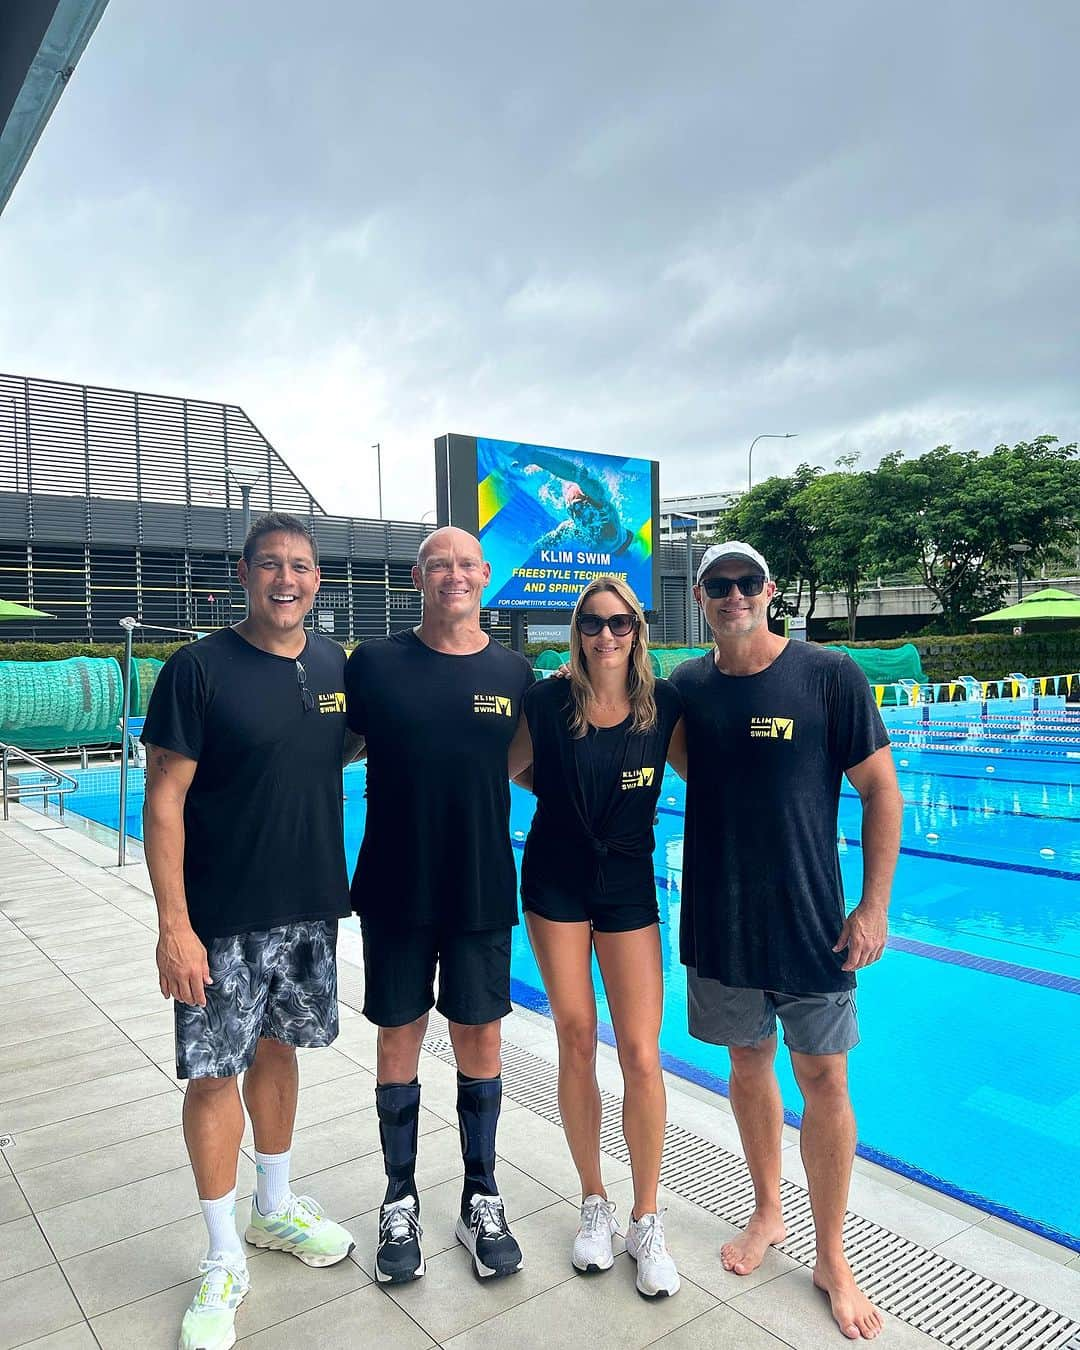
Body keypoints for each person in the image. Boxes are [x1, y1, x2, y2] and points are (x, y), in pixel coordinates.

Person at [668, 541, 902, 1342]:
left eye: (745, 582)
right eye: (717, 584)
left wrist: (872, 907)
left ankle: (833, 1255)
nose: (732, 595)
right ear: (700, 598)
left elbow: (880, 791)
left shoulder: (829, 675)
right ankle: (768, 1211)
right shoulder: (688, 687)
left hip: (811, 918)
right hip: (721, 916)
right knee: (745, 1062)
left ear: (767, 592)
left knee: (826, 1078)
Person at [142, 512, 357, 1350]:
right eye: (271, 565)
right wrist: (174, 927)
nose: (287, 579)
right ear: (243, 575)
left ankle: (273, 1209)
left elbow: (330, 751)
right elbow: (163, 800)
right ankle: (222, 1253)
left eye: (301, 567)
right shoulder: (198, 670)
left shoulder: (334, 664)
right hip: (221, 920)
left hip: (307, 909)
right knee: (210, 1076)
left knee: (279, 1054)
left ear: (315, 581)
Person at [344, 526, 534, 1285]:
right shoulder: (377, 664)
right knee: (398, 1040)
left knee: (479, 1042)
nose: (454, 576)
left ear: (486, 576)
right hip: (394, 882)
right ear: (418, 577)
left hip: (481, 884)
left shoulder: (514, 671)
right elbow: (331, 745)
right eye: (439, 565)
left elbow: (523, 762)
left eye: (466, 565)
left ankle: (480, 1194)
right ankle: (400, 1199)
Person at [508, 576, 683, 1297]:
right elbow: (512, 765)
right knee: (576, 1035)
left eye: (618, 624)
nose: (605, 636)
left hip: (628, 884)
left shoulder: (664, 705)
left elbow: (717, 775)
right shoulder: (547, 700)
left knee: (641, 1053)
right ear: (576, 631)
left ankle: (646, 1217)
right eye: (591, 624)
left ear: (637, 630)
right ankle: (594, 1201)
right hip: (554, 880)